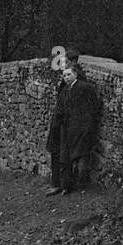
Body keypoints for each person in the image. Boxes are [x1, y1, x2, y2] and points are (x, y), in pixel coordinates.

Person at [55, 63, 102, 194]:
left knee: (81, 155)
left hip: (82, 128)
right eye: (64, 75)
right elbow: (60, 110)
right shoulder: (64, 91)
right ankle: (67, 186)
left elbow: (95, 107)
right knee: (65, 157)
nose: (66, 77)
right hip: (68, 129)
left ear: (75, 74)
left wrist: (89, 125)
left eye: (69, 74)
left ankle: (82, 184)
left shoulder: (85, 88)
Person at [45, 47, 81, 194]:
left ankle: (64, 184)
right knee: (57, 152)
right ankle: (57, 183)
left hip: (65, 123)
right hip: (58, 122)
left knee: (64, 154)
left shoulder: (76, 79)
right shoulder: (65, 78)